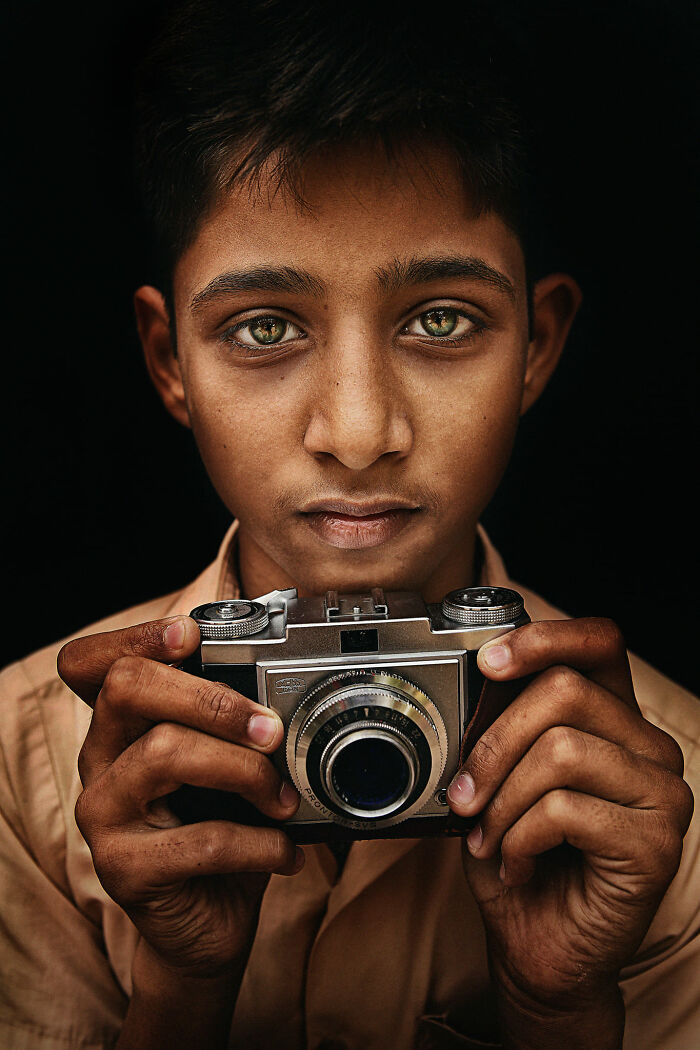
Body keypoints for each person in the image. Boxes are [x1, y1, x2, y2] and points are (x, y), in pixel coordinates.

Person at [1, 1, 697, 1048]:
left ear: (537, 347)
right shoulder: (25, 772)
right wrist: (182, 990)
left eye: (441, 319)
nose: (360, 431)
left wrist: (559, 1009)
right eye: (265, 328)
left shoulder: (665, 790)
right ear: (168, 361)